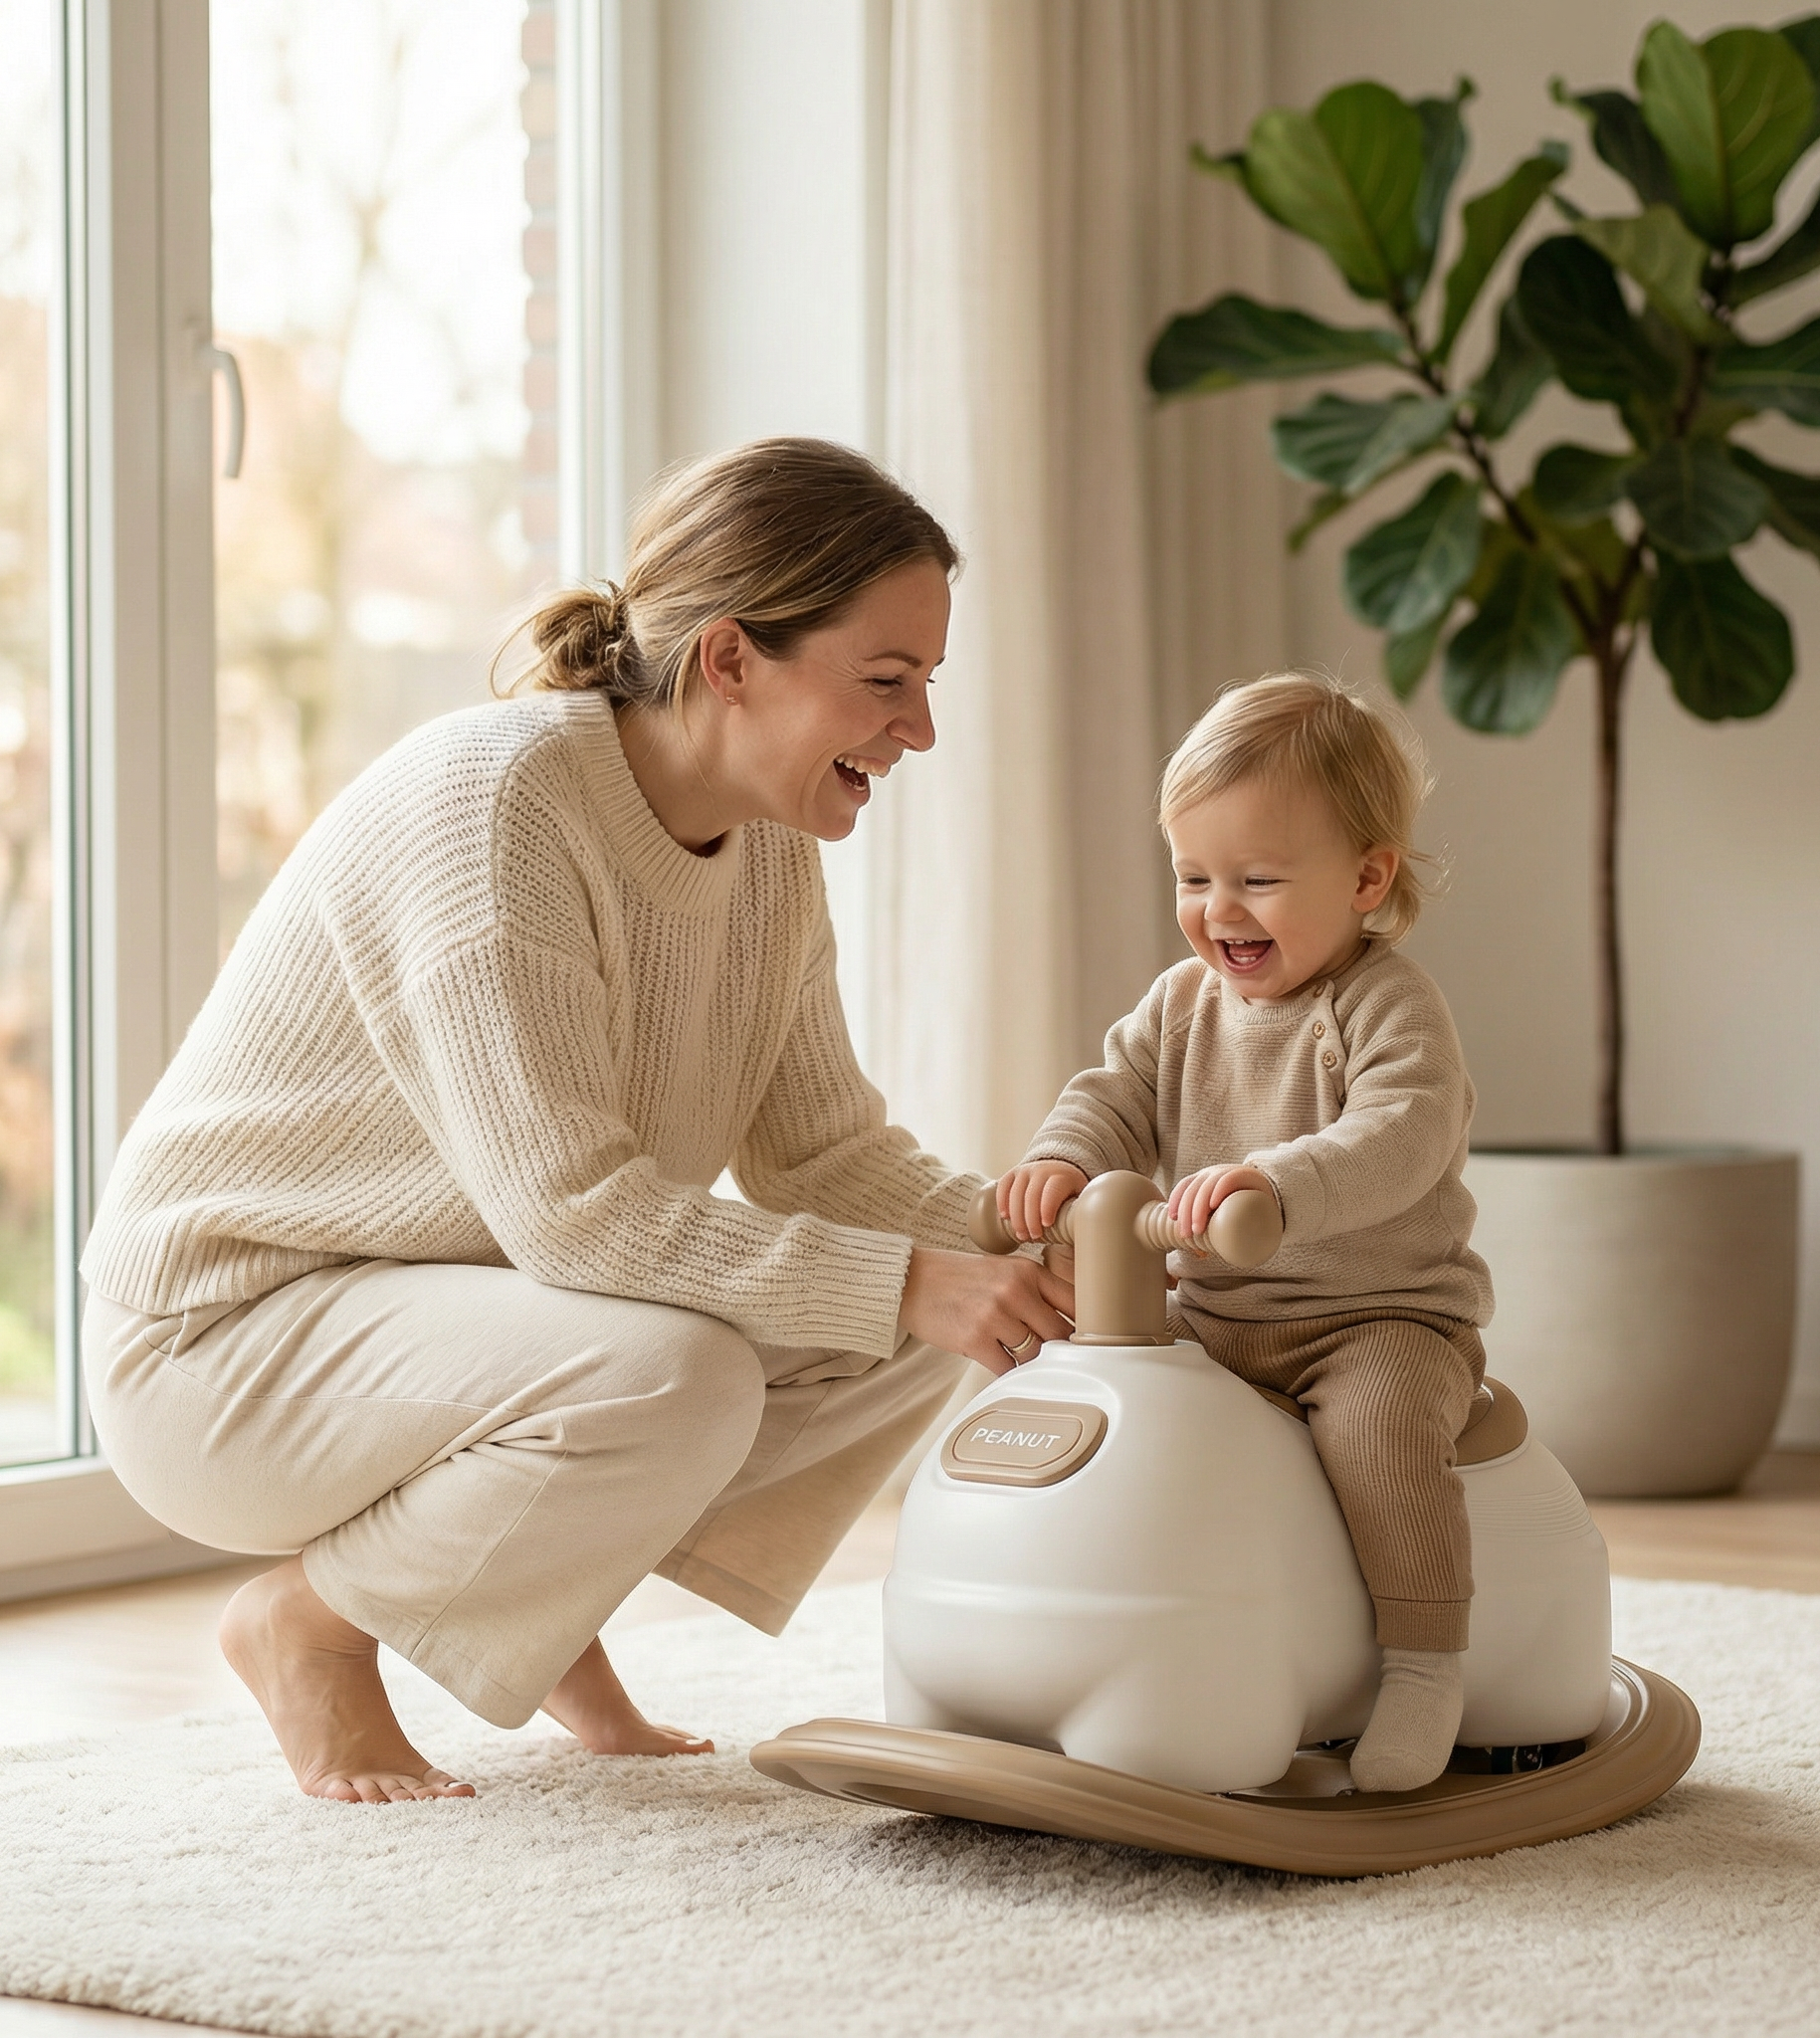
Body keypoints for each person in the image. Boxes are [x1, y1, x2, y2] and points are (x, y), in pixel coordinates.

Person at [80, 438, 1072, 1803]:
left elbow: (825, 1156)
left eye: (928, 686)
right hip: (224, 1346)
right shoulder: (497, 807)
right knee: (711, 1365)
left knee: (934, 1323)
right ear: (731, 659)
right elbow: (574, 1216)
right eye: (886, 682)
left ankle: (544, 1610)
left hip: (444, 1317)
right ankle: (309, 1623)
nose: (920, 731)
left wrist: (1016, 1239)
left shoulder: (768, 849)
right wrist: (911, 1278)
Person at [995, 672, 1493, 1792]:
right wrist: (1060, 1158)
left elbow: (1399, 1134)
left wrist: (1270, 1184)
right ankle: (1092, 1636)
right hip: (1212, 1316)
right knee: (1098, 1404)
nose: (1219, 908)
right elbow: (1112, 1086)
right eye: (1192, 876)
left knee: (1376, 1433)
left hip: (1375, 1318)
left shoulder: (1383, 1005)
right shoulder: (1180, 1004)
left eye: (1258, 879)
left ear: (1366, 876)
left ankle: (1422, 1661)